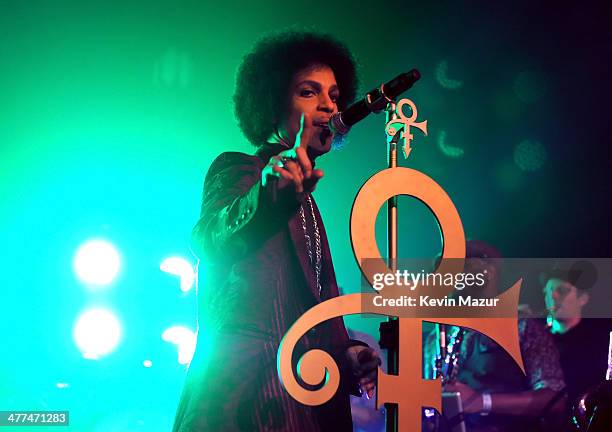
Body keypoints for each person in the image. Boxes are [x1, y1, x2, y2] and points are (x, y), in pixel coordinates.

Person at [172, 30, 380, 431]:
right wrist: (269, 196)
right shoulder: (241, 170)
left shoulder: (309, 201)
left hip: (306, 399)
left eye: (335, 95)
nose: (328, 106)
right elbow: (210, 238)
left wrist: (347, 353)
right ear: (273, 103)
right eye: (309, 92)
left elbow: (315, 306)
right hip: (248, 400)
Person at [423, 240, 566, 432]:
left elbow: (554, 398)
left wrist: (483, 402)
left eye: (460, 267)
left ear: (488, 272)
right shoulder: (437, 337)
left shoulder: (521, 326)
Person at [542, 261, 612, 420]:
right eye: (548, 291)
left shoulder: (599, 341)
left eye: (562, 291)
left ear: (583, 299)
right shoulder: (537, 338)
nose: (553, 296)